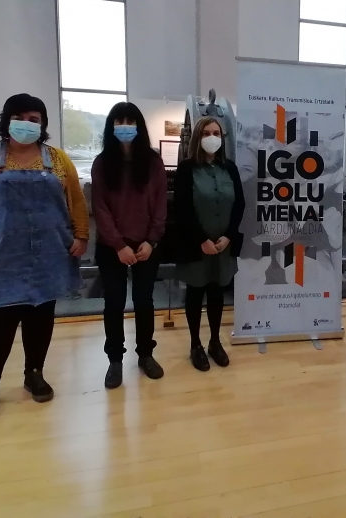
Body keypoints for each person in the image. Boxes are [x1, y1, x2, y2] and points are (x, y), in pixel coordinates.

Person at [0, 94, 89, 426]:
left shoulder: (57, 159)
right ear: (7, 121)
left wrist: (81, 236)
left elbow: (76, 200)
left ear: (43, 125)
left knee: (40, 320)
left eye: (34, 119)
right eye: (20, 117)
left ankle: (34, 374)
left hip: (49, 255)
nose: (27, 124)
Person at [91, 102, 167, 387]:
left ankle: (145, 354)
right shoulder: (102, 163)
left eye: (130, 121)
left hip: (146, 245)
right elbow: (99, 208)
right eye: (119, 121)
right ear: (111, 127)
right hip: (112, 248)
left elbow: (160, 205)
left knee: (144, 301)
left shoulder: (153, 162)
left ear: (139, 126)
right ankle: (115, 360)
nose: (125, 127)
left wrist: (151, 240)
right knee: (114, 302)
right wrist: (118, 245)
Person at [174, 117, 245, 372]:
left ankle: (215, 341)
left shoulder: (230, 168)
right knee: (195, 293)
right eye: (206, 133)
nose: (212, 137)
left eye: (216, 133)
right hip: (197, 246)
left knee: (217, 292)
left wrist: (229, 236)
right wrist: (201, 240)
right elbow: (182, 208)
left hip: (223, 246)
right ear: (197, 137)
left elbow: (240, 205)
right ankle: (196, 345)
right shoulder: (186, 169)